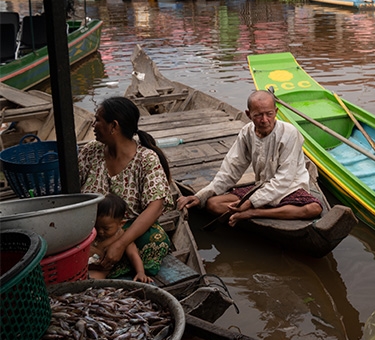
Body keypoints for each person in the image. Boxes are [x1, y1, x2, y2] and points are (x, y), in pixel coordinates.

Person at [176, 91, 322, 225]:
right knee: (212, 204)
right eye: (258, 115)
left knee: (314, 208)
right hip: (262, 186)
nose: (264, 120)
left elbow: (284, 179)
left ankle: (256, 213)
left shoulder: (289, 133)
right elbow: (231, 170)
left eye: (269, 114)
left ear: (276, 112)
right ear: (248, 114)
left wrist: (252, 203)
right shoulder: (247, 132)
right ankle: (261, 210)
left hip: (289, 188)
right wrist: (201, 196)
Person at [79, 96, 173, 277]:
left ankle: (111, 262)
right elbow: (73, 189)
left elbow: (156, 205)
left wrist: (120, 244)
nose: (93, 125)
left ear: (113, 126)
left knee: (156, 238)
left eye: (98, 120)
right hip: (92, 229)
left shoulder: (146, 159)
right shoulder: (91, 150)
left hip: (126, 230)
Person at [88, 193, 152, 283]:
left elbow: (133, 254)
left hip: (100, 269)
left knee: (91, 281)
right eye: (97, 227)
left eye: (106, 228)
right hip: (83, 265)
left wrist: (140, 272)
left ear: (120, 224)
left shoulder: (121, 237)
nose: (101, 231)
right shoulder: (91, 233)